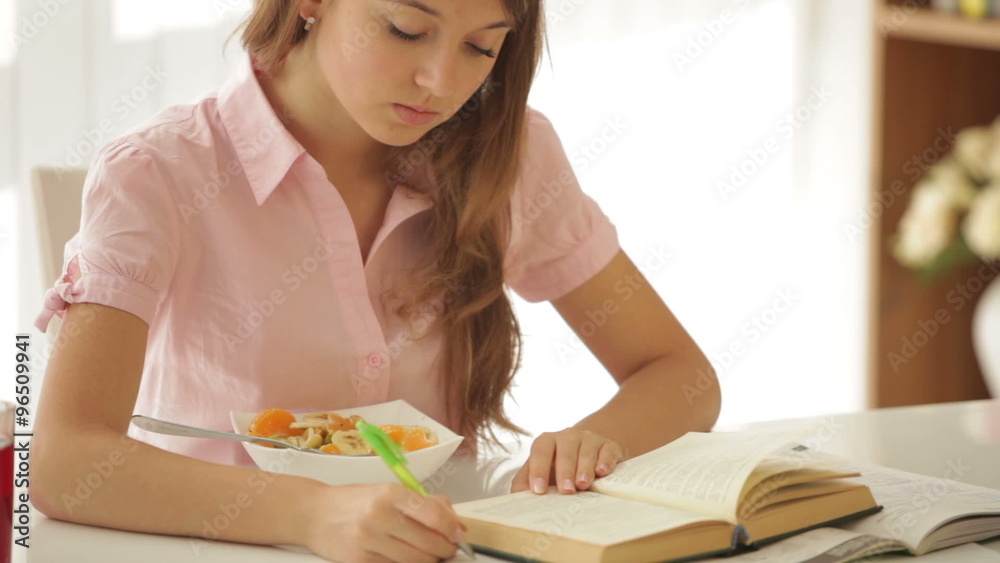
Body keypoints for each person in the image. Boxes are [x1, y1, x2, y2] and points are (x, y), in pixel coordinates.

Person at [30, 0, 721, 560]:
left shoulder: (509, 156)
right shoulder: (159, 173)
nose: (440, 81)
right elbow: (64, 461)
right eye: (407, 29)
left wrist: (592, 440)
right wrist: (313, 514)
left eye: (481, 47)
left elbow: (680, 374)